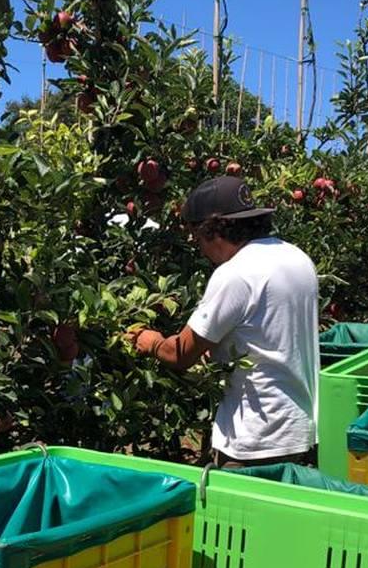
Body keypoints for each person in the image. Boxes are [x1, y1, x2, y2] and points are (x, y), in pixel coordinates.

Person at [129, 176, 319, 468]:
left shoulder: (237, 273)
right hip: (300, 424)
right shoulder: (297, 257)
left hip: (255, 438)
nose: (199, 249)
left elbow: (178, 354)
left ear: (212, 230)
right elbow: (270, 332)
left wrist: (150, 341)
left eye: (197, 238)